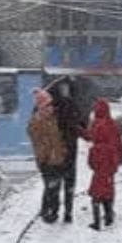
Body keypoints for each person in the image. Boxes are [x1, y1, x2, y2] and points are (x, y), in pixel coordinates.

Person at [82, 98, 122, 230]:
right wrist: (118, 161)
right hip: (110, 164)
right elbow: (119, 143)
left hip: (98, 167)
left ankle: (97, 221)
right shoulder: (112, 124)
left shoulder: (95, 125)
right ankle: (109, 216)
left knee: (96, 194)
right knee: (109, 190)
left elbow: (91, 162)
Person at [27, 89, 66, 223]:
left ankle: (51, 211)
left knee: (54, 186)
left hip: (57, 159)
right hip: (47, 160)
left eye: (51, 105)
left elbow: (57, 139)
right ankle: (49, 212)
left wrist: (62, 151)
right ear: (42, 107)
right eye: (48, 105)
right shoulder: (37, 121)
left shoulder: (52, 120)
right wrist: (44, 156)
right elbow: (38, 142)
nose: (51, 108)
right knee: (51, 187)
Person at [50, 77, 82, 224]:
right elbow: (79, 125)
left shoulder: (56, 107)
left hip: (63, 149)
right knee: (66, 182)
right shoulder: (72, 106)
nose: (65, 91)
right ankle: (62, 211)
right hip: (66, 148)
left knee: (62, 182)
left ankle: (61, 211)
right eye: (63, 88)